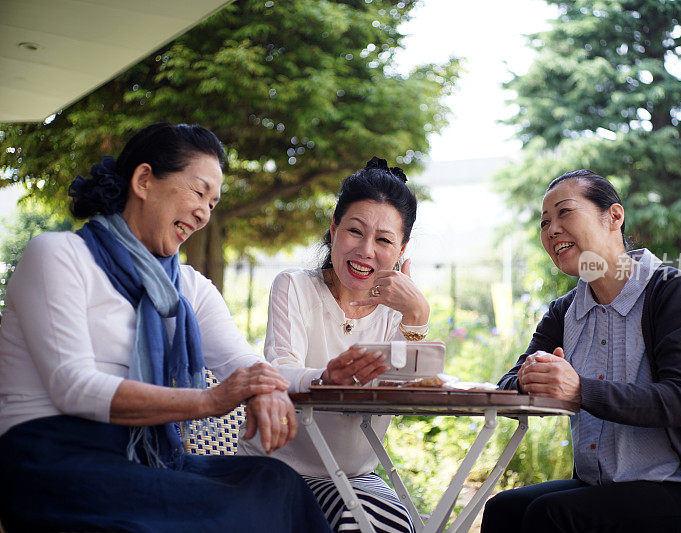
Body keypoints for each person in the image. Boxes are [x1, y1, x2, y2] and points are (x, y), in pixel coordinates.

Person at [0, 123, 330, 532]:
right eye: (198, 192)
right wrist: (212, 400)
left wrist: (266, 387)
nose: (204, 213)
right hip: (55, 458)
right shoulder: (58, 255)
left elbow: (241, 362)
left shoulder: (189, 287)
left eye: (213, 202)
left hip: (144, 458)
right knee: (228, 512)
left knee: (276, 483)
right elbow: (74, 387)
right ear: (143, 180)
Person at [482, 170, 681, 533]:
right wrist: (534, 377)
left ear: (614, 216)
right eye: (544, 222)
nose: (552, 230)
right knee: (503, 509)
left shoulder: (671, 291)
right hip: (605, 487)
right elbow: (508, 383)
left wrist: (579, 389)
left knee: (551, 516)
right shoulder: (564, 311)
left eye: (564, 213)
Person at [238, 157, 430, 532]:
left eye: (384, 240)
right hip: (277, 469)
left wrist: (418, 315)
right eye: (355, 232)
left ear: (402, 249)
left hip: (355, 478)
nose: (366, 250)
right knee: (359, 519)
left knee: (382, 521)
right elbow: (280, 370)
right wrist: (326, 377)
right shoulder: (294, 286)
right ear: (334, 228)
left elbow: (412, 385)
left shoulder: (399, 312)